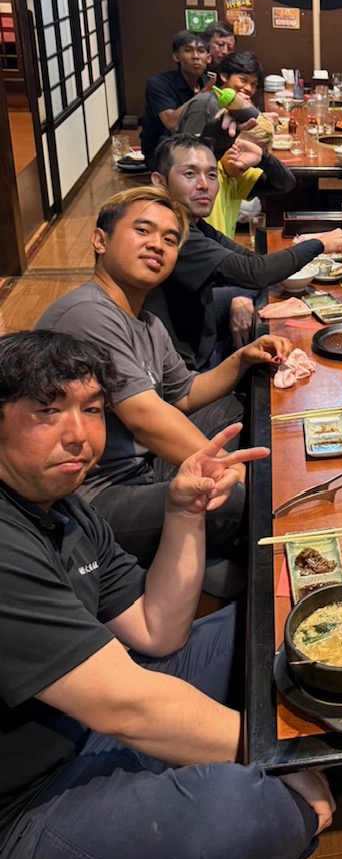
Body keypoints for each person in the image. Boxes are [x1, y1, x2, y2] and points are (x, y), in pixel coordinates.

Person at [0, 330, 342, 859]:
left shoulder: (64, 508)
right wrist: (277, 756)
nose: (78, 434)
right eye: (47, 411)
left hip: (84, 731)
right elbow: (124, 706)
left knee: (297, 645)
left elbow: (158, 630)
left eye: (92, 409)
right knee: (252, 809)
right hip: (19, 818)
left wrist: (183, 512)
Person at [36, 187, 291, 572]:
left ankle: (217, 548)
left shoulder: (147, 322)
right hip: (94, 497)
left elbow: (184, 393)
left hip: (146, 465)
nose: (157, 244)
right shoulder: (87, 314)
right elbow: (145, 417)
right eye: (143, 231)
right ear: (100, 241)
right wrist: (228, 468)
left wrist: (242, 357)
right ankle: (213, 574)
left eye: (170, 240)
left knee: (237, 409)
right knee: (232, 498)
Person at [146, 135, 342, 370]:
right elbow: (255, 272)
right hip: (180, 364)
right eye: (190, 174)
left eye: (211, 175)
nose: (204, 185)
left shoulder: (192, 222)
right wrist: (319, 244)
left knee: (262, 299)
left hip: (196, 324)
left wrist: (244, 293)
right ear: (160, 182)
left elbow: (252, 262)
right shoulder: (170, 231)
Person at [139, 31, 213, 169]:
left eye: (201, 51)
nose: (196, 56)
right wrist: (203, 94)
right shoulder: (158, 83)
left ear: (208, 58)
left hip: (198, 145)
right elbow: (171, 122)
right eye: (188, 50)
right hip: (162, 150)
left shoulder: (207, 81)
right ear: (176, 56)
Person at [207, 133, 296, 240]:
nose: (246, 162)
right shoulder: (207, 169)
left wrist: (263, 158)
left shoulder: (237, 176)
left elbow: (285, 184)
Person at [179, 50, 271, 147]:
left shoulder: (239, 106)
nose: (249, 88)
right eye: (243, 80)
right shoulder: (205, 104)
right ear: (224, 76)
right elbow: (189, 146)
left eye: (253, 84)